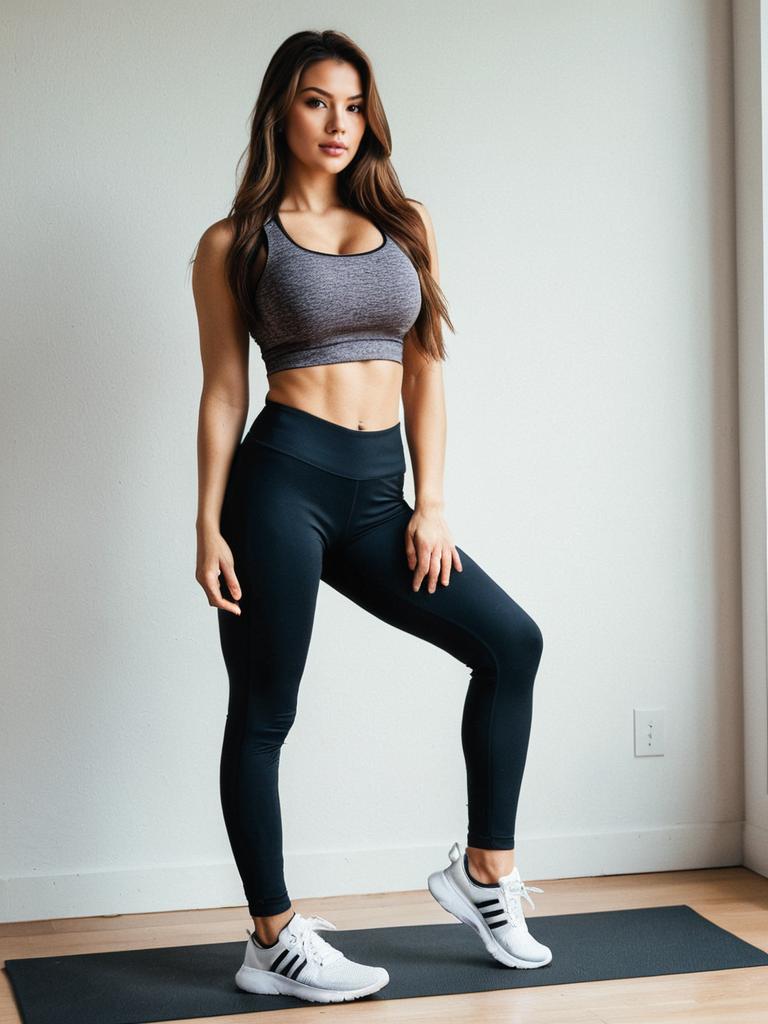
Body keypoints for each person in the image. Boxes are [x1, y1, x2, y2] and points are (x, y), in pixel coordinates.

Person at [191, 28, 551, 1005]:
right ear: (280, 110)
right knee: (266, 710)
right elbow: (226, 390)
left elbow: (426, 369)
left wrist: (430, 503)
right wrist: (205, 522)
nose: (337, 122)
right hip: (278, 485)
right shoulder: (234, 243)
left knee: (510, 642)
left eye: (353, 104)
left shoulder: (407, 224)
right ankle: (271, 934)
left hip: (376, 494)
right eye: (316, 101)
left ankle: (483, 874)